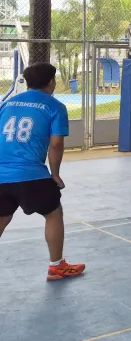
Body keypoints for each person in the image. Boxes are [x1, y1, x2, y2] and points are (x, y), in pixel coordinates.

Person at [0, 63, 86, 281]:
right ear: (51, 82)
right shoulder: (55, 107)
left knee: (2, 216)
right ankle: (57, 267)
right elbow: (56, 144)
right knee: (53, 213)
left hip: (1, 174)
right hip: (31, 175)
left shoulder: (7, 104)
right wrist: (55, 174)